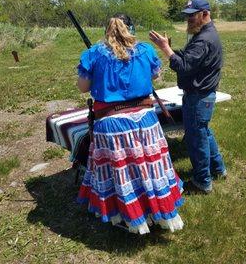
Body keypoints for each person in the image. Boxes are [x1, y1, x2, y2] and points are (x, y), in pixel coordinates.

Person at [76, 14, 184, 234]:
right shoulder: (145, 50)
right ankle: (154, 212)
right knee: (150, 169)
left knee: (121, 173)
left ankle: (129, 216)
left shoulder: (94, 54)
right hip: (145, 121)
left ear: (108, 30)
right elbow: (155, 77)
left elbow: (82, 87)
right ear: (131, 29)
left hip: (112, 124)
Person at [149, 0, 226, 194]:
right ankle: (218, 169)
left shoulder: (203, 40)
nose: (189, 20)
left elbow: (182, 66)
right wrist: (172, 49)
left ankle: (202, 182)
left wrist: (165, 49)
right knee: (203, 132)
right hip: (204, 95)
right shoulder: (206, 35)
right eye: (187, 16)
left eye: (193, 16)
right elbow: (188, 56)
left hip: (198, 97)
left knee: (196, 138)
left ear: (205, 14)